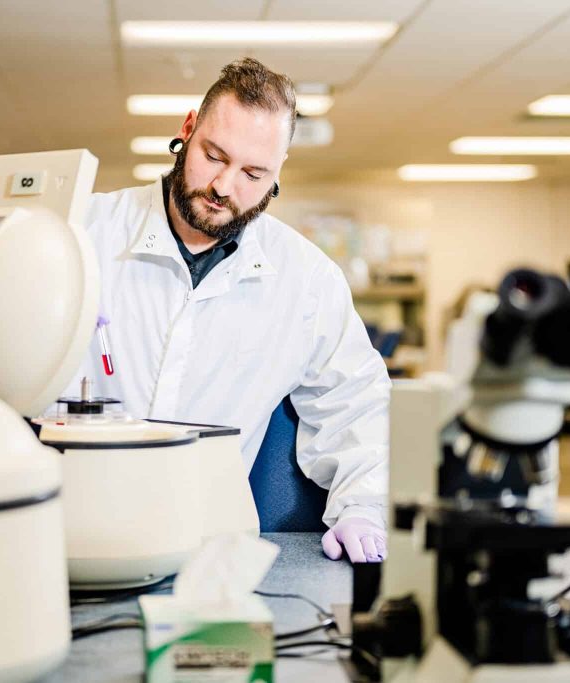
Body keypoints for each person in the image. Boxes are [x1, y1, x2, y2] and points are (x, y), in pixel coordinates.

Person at [69, 58, 390, 563]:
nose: (224, 186)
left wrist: (364, 507)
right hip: (71, 534)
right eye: (214, 156)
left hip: (213, 554)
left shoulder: (306, 280)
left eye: (253, 173)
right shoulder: (81, 232)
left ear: (278, 171)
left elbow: (358, 407)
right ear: (188, 129)